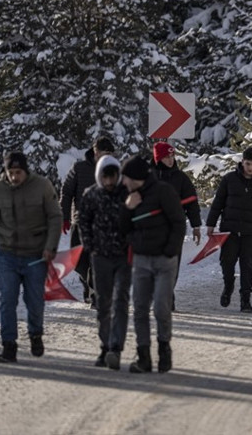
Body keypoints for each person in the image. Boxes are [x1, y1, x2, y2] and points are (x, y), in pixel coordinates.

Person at [0, 152, 61, 363]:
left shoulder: (42, 186)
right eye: (11, 172)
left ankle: (35, 334)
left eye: (18, 172)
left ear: (26, 171)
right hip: (7, 254)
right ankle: (9, 345)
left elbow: (55, 216)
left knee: (34, 301)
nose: (15, 177)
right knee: (7, 300)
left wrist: (50, 246)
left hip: (35, 255)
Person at [119, 155, 185, 373]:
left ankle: (164, 349)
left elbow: (178, 222)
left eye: (126, 177)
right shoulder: (129, 196)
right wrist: (128, 209)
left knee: (160, 307)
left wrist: (170, 250)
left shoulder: (163, 191)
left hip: (164, 260)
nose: (123, 182)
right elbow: (121, 228)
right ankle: (143, 355)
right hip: (141, 259)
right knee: (139, 308)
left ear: (136, 177)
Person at [78, 155, 131, 370]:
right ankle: (105, 345)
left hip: (123, 257)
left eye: (113, 177)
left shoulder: (126, 194)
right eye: (105, 177)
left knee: (120, 302)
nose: (109, 181)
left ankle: (116, 348)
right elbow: (83, 221)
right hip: (100, 257)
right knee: (103, 304)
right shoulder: (91, 195)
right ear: (100, 177)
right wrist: (90, 246)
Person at [206, 147, 252, 312]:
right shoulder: (229, 179)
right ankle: (228, 286)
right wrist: (210, 224)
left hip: (250, 232)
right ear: (242, 162)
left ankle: (246, 299)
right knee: (227, 262)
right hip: (229, 230)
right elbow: (218, 203)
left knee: (247, 265)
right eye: (247, 163)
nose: (250, 167)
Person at [60, 136, 116, 305]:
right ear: (95, 151)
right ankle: (88, 283)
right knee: (78, 260)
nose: (105, 157)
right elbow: (67, 191)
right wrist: (65, 217)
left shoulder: (114, 170)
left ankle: (96, 293)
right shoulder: (79, 168)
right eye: (102, 153)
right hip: (81, 220)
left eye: (109, 153)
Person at [151, 141, 202, 312]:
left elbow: (192, 203)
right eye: (166, 157)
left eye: (172, 156)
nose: (171, 160)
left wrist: (196, 226)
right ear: (158, 158)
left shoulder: (181, 178)